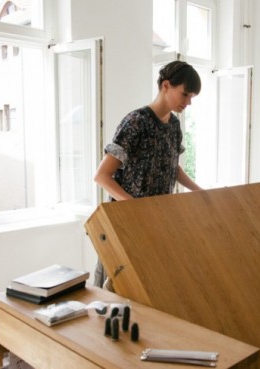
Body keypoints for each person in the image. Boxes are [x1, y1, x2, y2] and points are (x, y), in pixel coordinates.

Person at [93, 60, 204, 287]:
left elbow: (172, 166)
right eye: (185, 94)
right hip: (125, 221)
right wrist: (135, 206)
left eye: (192, 97)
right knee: (111, 288)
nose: (189, 102)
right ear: (165, 86)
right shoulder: (136, 122)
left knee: (145, 286)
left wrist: (199, 191)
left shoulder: (174, 126)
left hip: (156, 219)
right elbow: (102, 176)